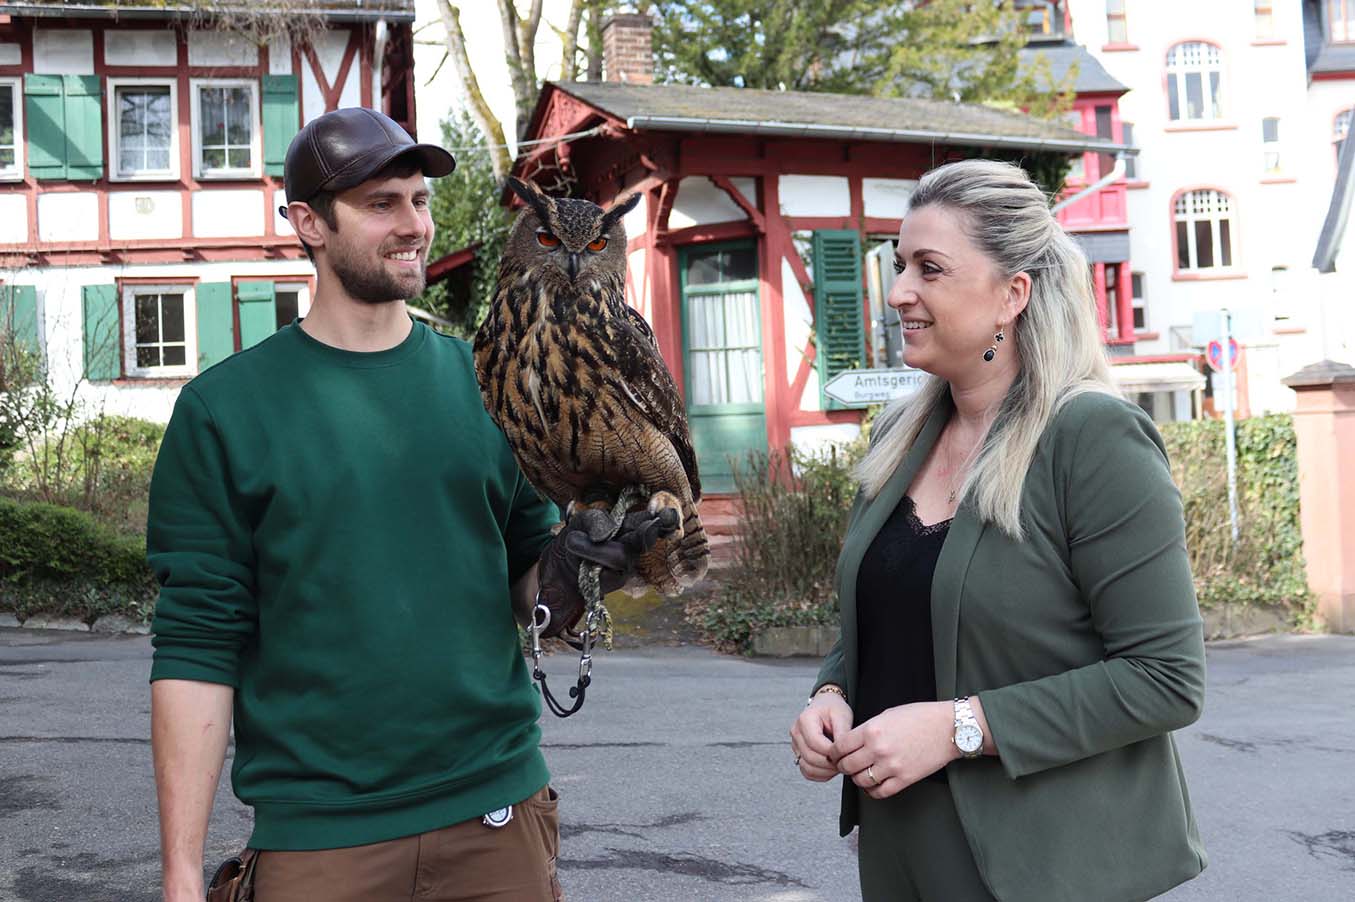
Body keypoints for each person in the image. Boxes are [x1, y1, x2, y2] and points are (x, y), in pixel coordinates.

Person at [148, 107, 666, 902]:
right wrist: (182, 873)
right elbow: (196, 646)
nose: (414, 225)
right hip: (320, 838)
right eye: (382, 204)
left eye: (419, 200)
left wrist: (583, 567)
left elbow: (527, 583)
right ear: (308, 223)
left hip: (495, 820)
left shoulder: (490, 379)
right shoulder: (225, 410)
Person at [788, 159, 1207, 902]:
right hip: (899, 846)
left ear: (1011, 294)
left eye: (930, 268)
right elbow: (889, 623)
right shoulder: (897, 439)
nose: (897, 292)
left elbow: (1164, 679)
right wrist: (831, 694)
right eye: (898, 266)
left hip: (1040, 863)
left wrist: (960, 728)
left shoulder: (1090, 437)